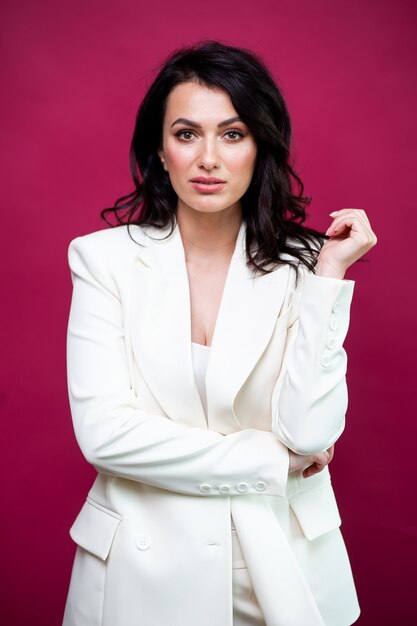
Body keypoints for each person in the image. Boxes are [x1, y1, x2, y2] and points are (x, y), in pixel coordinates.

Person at [62, 41, 377, 626]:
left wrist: (328, 278)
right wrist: (265, 459)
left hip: (278, 564)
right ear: (159, 151)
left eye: (232, 134)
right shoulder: (101, 260)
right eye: (186, 134)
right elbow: (104, 436)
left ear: (261, 147)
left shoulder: (307, 262)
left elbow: (308, 433)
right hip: (138, 567)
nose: (208, 157)